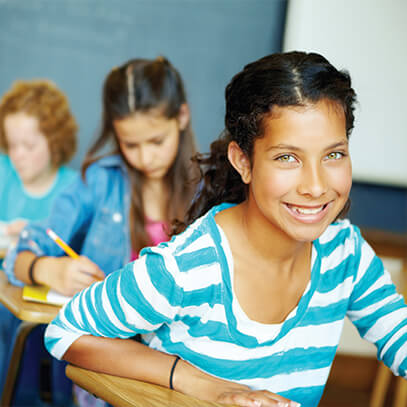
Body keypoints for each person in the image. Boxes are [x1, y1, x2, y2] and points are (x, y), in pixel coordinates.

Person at [44, 51, 407, 407]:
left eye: (333, 155)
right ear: (243, 162)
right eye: (287, 158)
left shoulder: (346, 255)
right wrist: (200, 383)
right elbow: (64, 332)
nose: (315, 186)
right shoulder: (186, 268)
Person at [4, 56, 198, 406]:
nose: (145, 158)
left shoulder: (208, 190)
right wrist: (49, 268)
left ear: (181, 117)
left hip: (185, 362)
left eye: (156, 141)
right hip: (111, 363)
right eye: (130, 145)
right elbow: (20, 255)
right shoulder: (100, 182)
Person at [0, 79, 78, 405]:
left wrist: (31, 234)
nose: (18, 156)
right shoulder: (4, 173)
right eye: (11, 144)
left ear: (55, 141)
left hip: (44, 306)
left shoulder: (73, 189)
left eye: (29, 146)